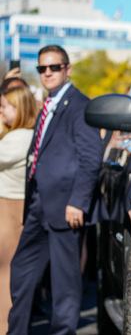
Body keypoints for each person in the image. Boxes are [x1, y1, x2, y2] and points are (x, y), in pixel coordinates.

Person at [7, 45, 104, 335]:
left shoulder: (80, 105)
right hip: (38, 204)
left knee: (65, 283)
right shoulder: (47, 105)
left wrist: (78, 201)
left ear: (67, 69)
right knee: (21, 270)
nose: (47, 73)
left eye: (54, 67)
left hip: (66, 207)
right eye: (42, 69)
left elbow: (91, 158)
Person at [0, 86, 38, 335]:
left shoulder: (19, 137)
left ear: (20, 109)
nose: (1, 111)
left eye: (5, 107)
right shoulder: (20, 134)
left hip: (10, 210)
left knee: (6, 274)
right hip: (12, 208)